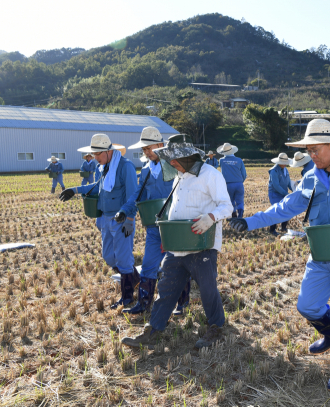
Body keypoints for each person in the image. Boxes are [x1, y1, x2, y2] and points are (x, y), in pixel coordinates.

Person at [229, 119, 330, 391]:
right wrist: (249, 222)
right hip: (319, 255)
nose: (312, 155)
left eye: (316, 149)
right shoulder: (310, 177)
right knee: (307, 305)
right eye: (309, 150)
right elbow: (285, 208)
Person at [120, 137, 233, 349]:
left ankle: (216, 328)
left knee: (208, 289)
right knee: (166, 289)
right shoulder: (179, 177)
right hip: (177, 245)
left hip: (202, 244)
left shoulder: (210, 175)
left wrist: (210, 217)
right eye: (170, 159)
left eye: (175, 159)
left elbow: (227, 207)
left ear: (188, 157)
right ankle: (153, 330)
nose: (172, 163)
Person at [59, 134, 139, 309]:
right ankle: (136, 279)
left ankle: (127, 297)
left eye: (98, 154)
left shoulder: (126, 167)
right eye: (93, 154)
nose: (95, 158)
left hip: (121, 219)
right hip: (105, 218)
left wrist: (129, 219)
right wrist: (75, 189)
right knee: (109, 257)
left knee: (124, 260)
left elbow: (134, 195)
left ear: (109, 151)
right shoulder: (103, 168)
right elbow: (98, 187)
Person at [115, 127, 178, 315]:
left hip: (174, 224)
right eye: (144, 150)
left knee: (177, 264)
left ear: (160, 145)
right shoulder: (146, 170)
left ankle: (182, 304)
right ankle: (143, 304)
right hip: (153, 225)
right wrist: (125, 211)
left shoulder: (175, 165)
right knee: (149, 264)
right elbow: (138, 194)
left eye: (149, 148)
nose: (147, 153)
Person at [267, 153, 294, 235]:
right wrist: (286, 193)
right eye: (283, 162)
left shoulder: (286, 170)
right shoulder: (274, 171)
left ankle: (283, 227)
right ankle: (272, 230)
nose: (285, 164)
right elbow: (276, 186)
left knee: (287, 209)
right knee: (276, 211)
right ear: (279, 162)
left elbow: (288, 182)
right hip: (274, 194)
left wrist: (294, 190)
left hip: (283, 193)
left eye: (286, 162)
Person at [218, 143, 247, 218]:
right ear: (233, 151)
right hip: (239, 183)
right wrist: (240, 181)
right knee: (240, 200)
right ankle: (240, 215)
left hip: (228, 184)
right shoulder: (239, 160)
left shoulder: (221, 161)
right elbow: (244, 174)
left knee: (230, 201)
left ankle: (233, 215)